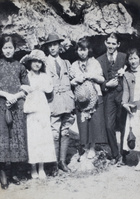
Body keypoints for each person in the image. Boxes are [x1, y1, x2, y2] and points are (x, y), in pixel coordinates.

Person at [0, 35, 29, 189]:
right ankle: (3, 173)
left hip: (17, 106)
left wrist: (16, 96)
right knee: (2, 139)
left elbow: (26, 86)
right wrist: (7, 96)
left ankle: (14, 172)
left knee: (16, 139)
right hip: (0, 106)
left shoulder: (20, 66)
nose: (8, 50)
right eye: (5, 48)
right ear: (1, 49)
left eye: (10, 47)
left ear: (15, 48)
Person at [20, 49, 56, 179]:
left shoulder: (45, 76)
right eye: (34, 61)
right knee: (32, 138)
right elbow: (22, 88)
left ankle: (41, 167)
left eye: (39, 62)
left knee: (43, 138)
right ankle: (33, 167)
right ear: (30, 62)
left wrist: (45, 76)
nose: (37, 64)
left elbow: (49, 88)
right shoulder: (26, 76)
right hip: (31, 109)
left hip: (42, 108)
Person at [70, 37, 107, 159]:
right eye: (80, 50)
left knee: (94, 123)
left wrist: (91, 76)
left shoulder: (94, 62)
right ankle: (84, 148)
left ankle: (92, 147)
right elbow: (70, 81)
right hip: (82, 99)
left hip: (95, 96)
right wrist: (76, 80)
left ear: (88, 50)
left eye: (84, 50)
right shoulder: (74, 65)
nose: (82, 52)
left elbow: (102, 79)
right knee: (83, 123)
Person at [43, 33, 75, 173]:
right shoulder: (44, 63)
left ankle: (63, 161)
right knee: (54, 133)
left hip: (67, 101)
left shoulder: (66, 63)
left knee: (65, 131)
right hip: (53, 101)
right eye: (50, 45)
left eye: (55, 44)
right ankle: (54, 164)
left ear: (59, 45)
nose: (52, 48)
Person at [97, 33, 127, 166]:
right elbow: (96, 78)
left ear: (118, 45)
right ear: (105, 43)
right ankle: (115, 154)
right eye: (108, 43)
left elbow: (134, 70)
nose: (111, 46)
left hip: (122, 95)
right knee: (109, 126)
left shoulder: (124, 57)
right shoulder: (99, 60)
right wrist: (106, 85)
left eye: (114, 43)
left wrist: (124, 73)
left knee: (123, 124)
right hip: (108, 95)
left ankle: (124, 155)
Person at [122, 48, 140, 172]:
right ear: (128, 61)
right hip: (132, 107)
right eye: (130, 58)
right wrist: (124, 103)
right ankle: (139, 160)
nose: (133, 61)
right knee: (135, 134)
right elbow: (126, 91)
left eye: (135, 58)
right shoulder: (127, 74)